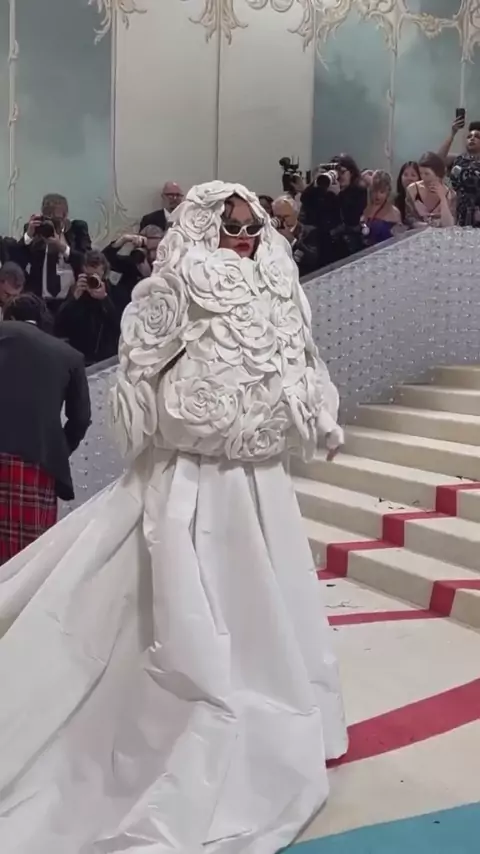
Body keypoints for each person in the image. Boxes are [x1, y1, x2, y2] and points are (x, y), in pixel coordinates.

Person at [0, 181, 347, 853]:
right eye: (231, 228)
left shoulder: (279, 287)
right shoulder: (176, 286)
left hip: (260, 479)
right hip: (188, 474)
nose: (242, 241)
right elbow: (141, 372)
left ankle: (269, 701)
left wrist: (318, 414)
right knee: (174, 595)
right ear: (205, 227)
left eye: (251, 229)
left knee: (263, 596)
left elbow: (301, 363)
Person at [0, 293, 91, 564]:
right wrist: (56, 449)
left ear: (8, 316)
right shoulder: (69, 355)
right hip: (36, 463)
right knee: (28, 559)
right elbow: (80, 418)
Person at [16, 193, 88, 307]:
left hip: (72, 299)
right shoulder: (37, 229)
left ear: (65, 215)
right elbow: (17, 260)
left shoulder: (77, 230)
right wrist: (28, 236)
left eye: (57, 219)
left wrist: (62, 247)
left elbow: (85, 260)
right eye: (49, 217)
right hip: (40, 300)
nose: (53, 223)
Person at [54, 250, 121, 365]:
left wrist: (104, 299)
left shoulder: (114, 292)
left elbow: (118, 325)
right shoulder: (77, 292)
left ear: (104, 273)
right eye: (89, 275)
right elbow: (59, 325)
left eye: (96, 275)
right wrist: (74, 299)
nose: (92, 279)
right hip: (79, 356)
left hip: (104, 357)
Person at [103, 225, 164, 311]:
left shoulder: (165, 271)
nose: (152, 255)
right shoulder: (132, 265)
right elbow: (104, 259)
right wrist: (124, 239)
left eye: (154, 249)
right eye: (145, 249)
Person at [440, 120, 480, 226]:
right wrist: (452, 134)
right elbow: (437, 160)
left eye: (477, 137)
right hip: (457, 210)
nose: (472, 138)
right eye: (469, 136)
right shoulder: (458, 159)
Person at [272, 196, 321, 275]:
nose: (282, 220)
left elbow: (313, 259)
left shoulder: (310, 232)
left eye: (286, 216)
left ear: (296, 214)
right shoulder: (272, 236)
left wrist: (292, 241)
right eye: (278, 217)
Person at [406, 151, 456, 227]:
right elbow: (410, 219)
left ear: (438, 174)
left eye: (427, 174)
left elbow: (449, 225)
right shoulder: (412, 189)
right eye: (421, 173)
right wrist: (426, 226)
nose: (423, 177)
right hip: (419, 232)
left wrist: (442, 198)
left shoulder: (450, 194)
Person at [361, 170, 402, 245]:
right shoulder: (366, 209)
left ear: (388, 192)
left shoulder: (394, 212)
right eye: (374, 191)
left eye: (382, 192)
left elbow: (398, 239)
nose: (377, 195)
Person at [395, 161, 421, 225]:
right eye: (405, 175)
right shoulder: (395, 200)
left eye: (413, 175)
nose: (409, 178)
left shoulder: (423, 199)